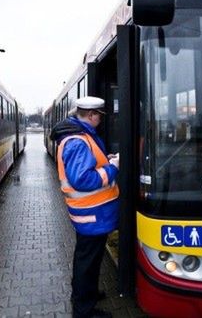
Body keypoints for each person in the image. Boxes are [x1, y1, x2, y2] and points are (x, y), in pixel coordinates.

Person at [50, 96, 119, 318]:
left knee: (88, 258)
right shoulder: (78, 141)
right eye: (99, 116)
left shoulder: (78, 136)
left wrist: (105, 161)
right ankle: (84, 310)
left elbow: (87, 167)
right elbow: (83, 180)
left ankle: (85, 294)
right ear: (91, 115)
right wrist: (112, 169)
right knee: (87, 261)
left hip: (90, 213)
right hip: (91, 214)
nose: (100, 120)